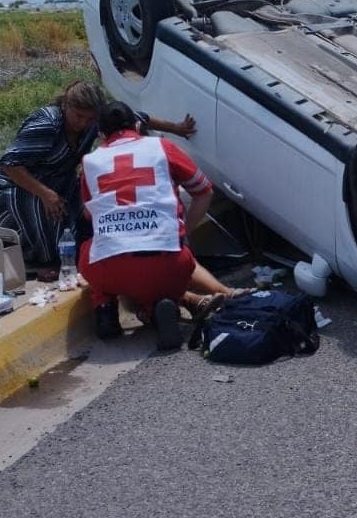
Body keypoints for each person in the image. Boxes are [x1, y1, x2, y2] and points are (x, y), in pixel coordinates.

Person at [0, 83, 200, 280]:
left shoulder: (96, 121)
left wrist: (177, 128)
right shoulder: (47, 123)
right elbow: (11, 165)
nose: (83, 124)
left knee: (81, 230)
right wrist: (45, 194)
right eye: (78, 116)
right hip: (19, 185)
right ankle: (36, 259)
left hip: (61, 183)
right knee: (49, 248)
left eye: (89, 119)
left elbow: (138, 118)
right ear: (65, 106)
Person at [77, 101, 243, 348]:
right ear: (137, 124)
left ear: (101, 134)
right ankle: (166, 306)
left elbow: (92, 217)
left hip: (111, 269)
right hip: (171, 265)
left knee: (89, 252)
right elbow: (204, 191)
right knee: (161, 266)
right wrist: (183, 230)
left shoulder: (90, 162)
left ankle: (105, 309)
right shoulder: (162, 147)